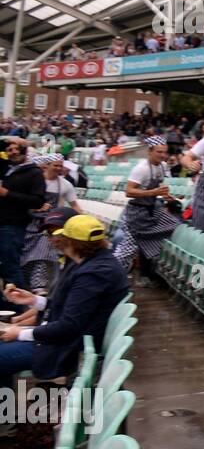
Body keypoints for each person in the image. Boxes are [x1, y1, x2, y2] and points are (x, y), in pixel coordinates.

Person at [0, 214, 129, 386]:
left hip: (67, 348)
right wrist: (33, 300)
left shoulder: (93, 273)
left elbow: (69, 325)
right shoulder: (95, 263)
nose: (54, 240)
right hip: (68, 339)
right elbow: (76, 308)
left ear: (70, 241)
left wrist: (21, 333)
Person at [114, 135, 183, 282]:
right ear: (150, 152)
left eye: (165, 152)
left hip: (152, 208)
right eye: (159, 152)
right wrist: (153, 193)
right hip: (137, 212)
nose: (163, 155)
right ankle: (111, 274)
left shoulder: (163, 166)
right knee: (127, 250)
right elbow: (129, 191)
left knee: (175, 225)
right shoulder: (141, 169)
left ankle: (147, 250)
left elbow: (156, 188)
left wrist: (166, 196)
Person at [21, 155, 81, 293]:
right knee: (26, 259)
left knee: (42, 253)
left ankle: (39, 287)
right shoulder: (34, 181)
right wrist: (35, 207)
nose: (59, 168)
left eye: (60, 165)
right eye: (56, 165)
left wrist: (82, 219)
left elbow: (74, 205)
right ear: (46, 165)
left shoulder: (65, 184)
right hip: (29, 224)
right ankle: (29, 287)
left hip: (49, 225)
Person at [0, 141, 48, 291]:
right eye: (9, 149)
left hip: (12, 226)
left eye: (17, 149)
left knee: (11, 267)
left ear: (25, 151)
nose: (13, 152)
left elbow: (37, 201)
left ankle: (17, 306)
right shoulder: (6, 168)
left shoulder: (34, 173)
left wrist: (7, 194)